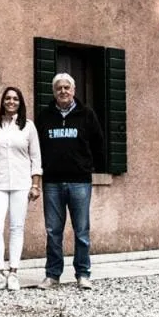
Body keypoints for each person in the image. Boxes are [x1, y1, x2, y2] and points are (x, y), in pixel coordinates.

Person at [35, 72, 105, 290]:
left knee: (82, 231)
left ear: (73, 90)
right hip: (52, 183)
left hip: (79, 182)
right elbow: (36, 148)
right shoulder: (45, 116)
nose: (63, 91)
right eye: (59, 88)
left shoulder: (87, 114)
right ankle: (52, 275)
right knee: (53, 231)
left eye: (67, 87)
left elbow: (99, 144)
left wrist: (90, 168)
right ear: (54, 92)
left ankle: (83, 274)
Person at [0, 86, 42, 292]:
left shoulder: (28, 127)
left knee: (16, 228)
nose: (11, 101)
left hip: (21, 185)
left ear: (20, 102)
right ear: (3, 101)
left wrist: (35, 185)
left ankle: (13, 272)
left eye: (15, 98)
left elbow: (36, 158)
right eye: (8, 98)